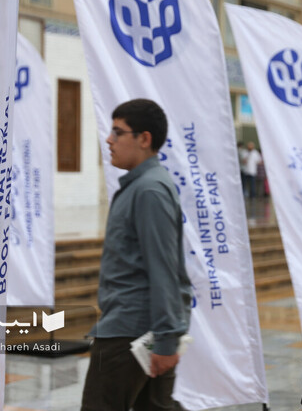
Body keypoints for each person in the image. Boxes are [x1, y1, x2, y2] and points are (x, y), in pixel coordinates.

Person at [81, 99, 192, 411]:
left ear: (144, 139)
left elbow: (164, 269)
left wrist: (167, 339)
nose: (109, 139)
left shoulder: (149, 191)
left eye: (118, 132)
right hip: (142, 328)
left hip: (130, 332)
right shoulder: (141, 186)